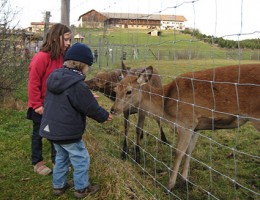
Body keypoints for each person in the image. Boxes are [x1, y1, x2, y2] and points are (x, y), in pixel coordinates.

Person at [39, 43, 113, 198]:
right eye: (88, 65)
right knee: (80, 157)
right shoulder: (77, 84)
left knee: (61, 157)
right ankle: (82, 188)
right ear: (82, 65)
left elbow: (66, 98)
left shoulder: (55, 77)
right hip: (68, 131)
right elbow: (89, 106)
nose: (89, 69)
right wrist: (104, 116)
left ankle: (59, 186)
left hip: (51, 128)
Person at [27, 23, 72, 176]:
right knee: (39, 133)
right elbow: (33, 83)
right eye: (65, 39)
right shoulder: (41, 58)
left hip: (56, 105)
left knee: (56, 134)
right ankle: (38, 162)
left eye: (69, 40)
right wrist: (37, 105)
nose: (68, 43)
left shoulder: (63, 58)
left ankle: (56, 161)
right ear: (55, 38)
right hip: (40, 105)